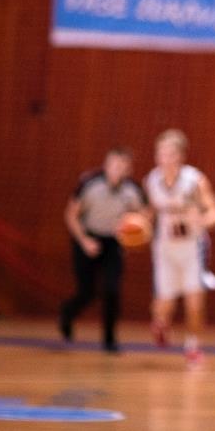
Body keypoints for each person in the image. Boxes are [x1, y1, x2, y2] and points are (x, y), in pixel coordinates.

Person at [144, 128, 215, 368]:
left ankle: (193, 347)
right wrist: (136, 224)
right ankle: (161, 325)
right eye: (161, 154)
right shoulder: (152, 180)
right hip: (165, 248)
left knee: (194, 303)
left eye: (170, 154)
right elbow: (149, 212)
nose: (165, 159)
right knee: (162, 306)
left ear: (180, 156)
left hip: (192, 249)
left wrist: (201, 220)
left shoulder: (195, 181)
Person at [59, 147, 148, 353]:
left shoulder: (132, 190)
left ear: (129, 169)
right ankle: (67, 313)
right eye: (115, 165)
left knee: (111, 289)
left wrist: (132, 230)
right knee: (87, 292)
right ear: (106, 165)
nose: (118, 169)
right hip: (88, 238)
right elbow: (71, 215)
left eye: (123, 166)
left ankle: (109, 340)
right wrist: (84, 241)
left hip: (113, 243)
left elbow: (146, 215)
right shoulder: (90, 184)